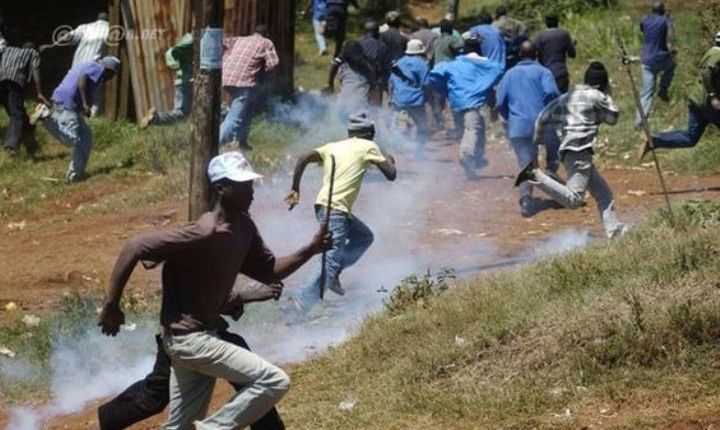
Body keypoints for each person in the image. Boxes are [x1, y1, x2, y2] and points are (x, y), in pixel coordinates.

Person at [98, 151, 331, 430]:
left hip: (201, 337)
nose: (252, 191)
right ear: (221, 188)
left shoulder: (244, 227)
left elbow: (269, 272)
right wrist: (112, 306)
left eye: (251, 184)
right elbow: (135, 246)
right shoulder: (203, 231)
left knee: (180, 425)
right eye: (244, 185)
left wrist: (311, 249)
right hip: (188, 341)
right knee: (274, 380)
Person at [284, 114, 397, 317]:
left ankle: (333, 274)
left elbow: (303, 158)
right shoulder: (368, 146)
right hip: (335, 209)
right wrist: (389, 159)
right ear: (370, 134)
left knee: (363, 237)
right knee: (331, 257)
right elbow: (391, 175)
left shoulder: (334, 146)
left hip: (324, 205)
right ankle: (301, 302)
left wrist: (295, 188)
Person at [515, 62, 627, 238]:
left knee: (604, 194)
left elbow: (543, 116)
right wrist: (608, 95)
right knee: (574, 200)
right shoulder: (598, 96)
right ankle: (534, 176)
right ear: (601, 84)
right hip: (580, 150)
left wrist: (538, 138)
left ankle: (615, 231)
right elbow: (613, 117)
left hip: (570, 150)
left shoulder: (567, 97)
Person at [497, 41, 560, 217]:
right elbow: (552, 94)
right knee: (554, 143)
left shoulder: (509, 75)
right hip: (542, 124)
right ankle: (551, 168)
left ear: (519, 55)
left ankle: (526, 199)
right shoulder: (544, 72)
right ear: (537, 54)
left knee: (526, 165)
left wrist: (511, 118)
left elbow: (500, 103)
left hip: (518, 127)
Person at [33, 56, 120, 182]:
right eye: (112, 74)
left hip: (64, 99)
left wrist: (85, 105)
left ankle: (74, 174)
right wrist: (85, 104)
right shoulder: (98, 68)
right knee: (71, 139)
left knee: (86, 136)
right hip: (69, 102)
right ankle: (46, 118)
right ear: (109, 69)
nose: (111, 78)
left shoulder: (88, 64)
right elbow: (82, 79)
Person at [428, 37, 504, 179]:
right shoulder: (485, 65)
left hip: (456, 104)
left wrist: (445, 90)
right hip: (472, 104)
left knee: (469, 131)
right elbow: (499, 70)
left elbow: (434, 76)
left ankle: (472, 166)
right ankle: (467, 155)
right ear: (478, 49)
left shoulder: (452, 64)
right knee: (472, 130)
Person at [646, 32, 720, 156]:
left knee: (690, 138)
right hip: (707, 102)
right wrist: (713, 96)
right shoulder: (717, 54)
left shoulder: (712, 52)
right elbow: (706, 72)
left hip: (696, 100)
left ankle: (655, 140)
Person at [220, 25, 279, 151]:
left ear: (253, 33)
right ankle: (214, 144)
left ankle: (240, 141)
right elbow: (273, 63)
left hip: (226, 78)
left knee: (248, 108)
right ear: (266, 35)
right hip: (244, 81)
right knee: (234, 118)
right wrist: (266, 73)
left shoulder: (238, 39)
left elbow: (222, 43)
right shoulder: (266, 42)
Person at [41, 13, 110, 116]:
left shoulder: (85, 27)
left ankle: (66, 109)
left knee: (72, 86)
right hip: (94, 65)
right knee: (95, 91)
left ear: (97, 18)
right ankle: (93, 115)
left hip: (78, 63)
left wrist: (52, 45)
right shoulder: (110, 29)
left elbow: (68, 36)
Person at [0, 42, 48, 156]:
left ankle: (31, 144)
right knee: (17, 115)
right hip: (15, 82)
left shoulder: (8, 49)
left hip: (1, 81)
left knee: (16, 113)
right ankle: (11, 145)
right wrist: (39, 93)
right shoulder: (32, 53)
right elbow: (36, 72)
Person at [140, 32, 193, 128]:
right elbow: (172, 52)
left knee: (185, 114)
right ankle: (156, 118)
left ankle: (156, 118)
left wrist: (175, 64)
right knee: (182, 114)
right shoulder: (193, 39)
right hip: (188, 82)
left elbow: (170, 53)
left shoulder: (187, 37)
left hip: (183, 81)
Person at [635, 1, 676, 126]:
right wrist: (668, 18)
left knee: (647, 91)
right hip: (660, 58)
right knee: (672, 65)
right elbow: (671, 35)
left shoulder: (645, 19)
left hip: (646, 59)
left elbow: (642, 28)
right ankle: (663, 89)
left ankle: (639, 120)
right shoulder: (665, 21)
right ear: (663, 10)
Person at [389, 39, 430, 157]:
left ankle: (398, 150)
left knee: (398, 125)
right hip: (416, 101)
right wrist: (427, 99)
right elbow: (426, 84)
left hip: (399, 100)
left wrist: (391, 98)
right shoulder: (422, 64)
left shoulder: (399, 62)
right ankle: (419, 152)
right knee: (421, 125)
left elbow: (391, 83)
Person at [327, 40, 377, 122]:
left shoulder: (342, 68)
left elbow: (335, 67)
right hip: (359, 107)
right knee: (358, 131)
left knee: (348, 129)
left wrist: (330, 84)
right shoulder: (368, 69)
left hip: (342, 105)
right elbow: (373, 90)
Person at [430, 19, 464, 130]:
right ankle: (458, 126)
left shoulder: (435, 41)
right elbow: (458, 47)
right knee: (454, 99)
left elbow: (430, 57)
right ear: (451, 30)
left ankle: (439, 124)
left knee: (438, 100)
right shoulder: (451, 39)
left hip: (436, 73)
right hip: (449, 73)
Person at [534, 14, 576, 93]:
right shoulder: (564, 34)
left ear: (546, 23)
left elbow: (535, 55)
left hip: (545, 73)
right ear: (557, 22)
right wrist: (572, 45)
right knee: (562, 100)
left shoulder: (540, 36)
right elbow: (572, 54)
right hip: (561, 72)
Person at [359, 21, 391, 107]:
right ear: (377, 31)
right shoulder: (382, 46)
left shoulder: (358, 44)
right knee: (374, 111)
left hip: (359, 82)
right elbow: (387, 67)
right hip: (376, 83)